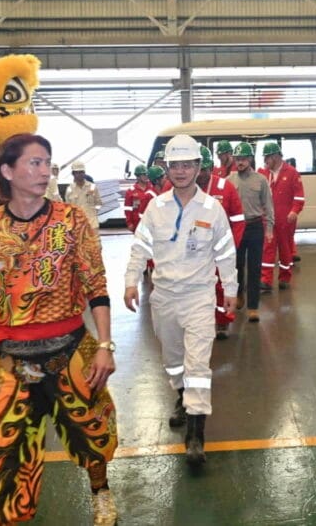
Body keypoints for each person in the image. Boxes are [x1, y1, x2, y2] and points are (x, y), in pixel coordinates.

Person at [0, 133, 118, 525]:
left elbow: (95, 284)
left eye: (47, 163)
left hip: (71, 351)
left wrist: (105, 344)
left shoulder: (70, 220)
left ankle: (100, 490)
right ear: (8, 171)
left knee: (92, 432)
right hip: (13, 362)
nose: (44, 171)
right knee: (4, 453)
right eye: (34, 163)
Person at [124, 134, 237, 467]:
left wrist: (230, 289)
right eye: (175, 165)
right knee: (173, 359)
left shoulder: (212, 209)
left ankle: (195, 434)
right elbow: (139, 247)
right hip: (164, 299)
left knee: (198, 365)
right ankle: (180, 397)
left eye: (188, 164)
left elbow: (226, 253)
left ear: (198, 168)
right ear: (167, 168)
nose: (181, 171)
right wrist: (131, 281)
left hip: (199, 297)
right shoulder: (155, 209)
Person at [197, 146, 245, 339]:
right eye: (198, 170)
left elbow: (238, 219)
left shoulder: (226, 187)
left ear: (211, 168)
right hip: (191, 251)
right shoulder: (180, 188)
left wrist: (231, 246)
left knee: (221, 287)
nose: (201, 175)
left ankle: (222, 321)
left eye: (205, 170)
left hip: (218, 249)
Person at [226, 142, 274, 322]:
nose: (240, 162)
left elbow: (268, 206)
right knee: (236, 265)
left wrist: (269, 228)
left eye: (243, 159)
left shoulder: (260, 180)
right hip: (236, 229)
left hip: (255, 227)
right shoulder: (229, 181)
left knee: (254, 268)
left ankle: (253, 307)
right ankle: (239, 294)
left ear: (250, 159)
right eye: (237, 159)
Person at [258, 143, 305, 291]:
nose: (265, 160)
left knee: (285, 249)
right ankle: (265, 280)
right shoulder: (262, 173)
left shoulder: (291, 173)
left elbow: (299, 197)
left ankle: (285, 277)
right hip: (268, 220)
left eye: (267, 157)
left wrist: (294, 212)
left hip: (286, 220)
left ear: (276, 157)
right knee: (267, 249)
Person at [65, 160, 103, 230]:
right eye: (77, 173)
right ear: (73, 174)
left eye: (81, 172)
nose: (79, 175)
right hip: (77, 225)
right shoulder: (69, 189)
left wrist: (94, 213)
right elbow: (68, 208)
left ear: (84, 173)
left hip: (92, 224)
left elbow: (99, 203)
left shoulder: (92, 187)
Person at [123, 164, 151, 232]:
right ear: (137, 176)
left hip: (152, 222)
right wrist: (129, 223)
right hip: (138, 223)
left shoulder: (153, 188)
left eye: (146, 174)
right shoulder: (130, 191)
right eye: (143, 175)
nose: (146, 176)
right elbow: (128, 209)